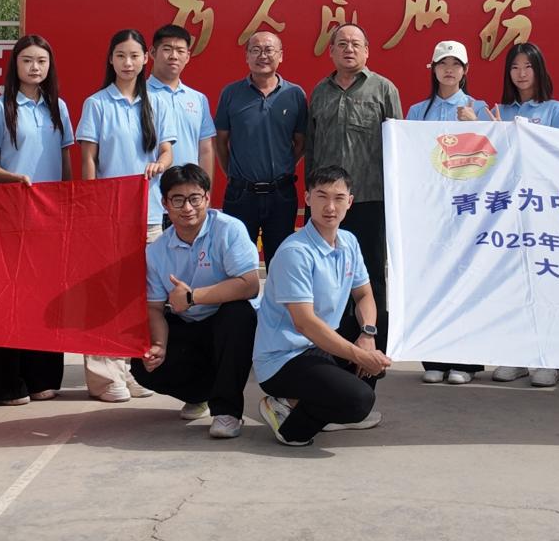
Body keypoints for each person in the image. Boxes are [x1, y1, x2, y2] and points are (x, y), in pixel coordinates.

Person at [0, 34, 77, 405]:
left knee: (45, 295)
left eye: (41, 61)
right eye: (27, 60)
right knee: (9, 296)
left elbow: (65, 160)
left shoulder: (58, 107)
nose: (35, 67)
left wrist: (69, 201)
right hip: (10, 213)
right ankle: (4, 383)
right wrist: (13, 178)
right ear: (15, 65)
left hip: (50, 215)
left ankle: (41, 377)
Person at [254, 166, 390, 446]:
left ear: (350, 202)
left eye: (339, 198)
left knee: (380, 322)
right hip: (286, 357)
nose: (330, 207)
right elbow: (305, 323)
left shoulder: (349, 241)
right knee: (359, 401)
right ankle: (285, 414)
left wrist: (367, 335)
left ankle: (327, 407)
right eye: (322, 196)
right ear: (307, 199)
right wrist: (359, 355)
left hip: (320, 346)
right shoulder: (296, 252)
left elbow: (364, 294)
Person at [76, 28, 175, 402]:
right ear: (111, 59)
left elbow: (166, 150)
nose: (128, 63)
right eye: (121, 55)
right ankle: (103, 377)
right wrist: (92, 205)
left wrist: (160, 164)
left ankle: (130, 368)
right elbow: (88, 159)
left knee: (140, 297)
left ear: (145, 59)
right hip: (108, 215)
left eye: (134, 56)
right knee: (105, 296)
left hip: (148, 214)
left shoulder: (156, 102)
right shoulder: (97, 103)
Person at [131, 165, 262, 439]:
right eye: (178, 200)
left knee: (238, 314)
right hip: (189, 324)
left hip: (226, 324)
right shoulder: (156, 251)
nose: (187, 208)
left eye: (194, 198)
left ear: (207, 198)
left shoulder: (229, 230)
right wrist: (159, 346)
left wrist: (193, 297)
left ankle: (227, 411)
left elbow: (249, 284)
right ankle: (199, 395)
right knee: (142, 365)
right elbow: (154, 308)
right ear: (165, 203)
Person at [306, 23, 403, 351]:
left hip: (370, 199)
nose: (349, 49)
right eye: (342, 44)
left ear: (367, 51)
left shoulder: (384, 89)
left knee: (371, 274)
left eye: (356, 44)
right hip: (326, 204)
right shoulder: (320, 91)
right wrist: (312, 196)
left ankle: (374, 344)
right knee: (325, 273)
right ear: (331, 51)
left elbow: (397, 146)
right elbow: (312, 147)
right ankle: (329, 344)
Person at [405, 40, 492, 386]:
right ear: (434, 69)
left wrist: (476, 125)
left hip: (468, 209)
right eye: (443, 63)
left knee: (466, 281)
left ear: (466, 70)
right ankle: (434, 358)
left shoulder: (479, 108)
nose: (449, 70)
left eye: (456, 64)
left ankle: (466, 362)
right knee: (432, 281)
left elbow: (494, 157)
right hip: (431, 209)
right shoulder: (417, 111)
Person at [488, 41, 559, 389]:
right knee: (513, 284)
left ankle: (548, 357)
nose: (521, 74)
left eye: (528, 67)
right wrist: (491, 131)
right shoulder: (500, 110)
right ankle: (518, 355)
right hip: (509, 210)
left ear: (539, 70)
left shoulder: (555, 109)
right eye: (514, 67)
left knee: (546, 284)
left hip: (544, 208)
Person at [213, 30, 307, 261]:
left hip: (281, 194)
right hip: (241, 194)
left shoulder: (295, 94)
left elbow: (301, 142)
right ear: (247, 56)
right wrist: (234, 173)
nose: (262, 56)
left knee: (282, 260)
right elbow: (221, 142)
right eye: (255, 50)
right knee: (237, 261)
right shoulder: (231, 93)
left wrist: (283, 166)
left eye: (268, 50)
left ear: (281, 55)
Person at [148, 23, 217, 228]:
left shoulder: (198, 99)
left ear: (187, 56)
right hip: (150, 199)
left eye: (180, 51)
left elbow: (205, 150)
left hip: (188, 203)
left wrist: (205, 194)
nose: (173, 56)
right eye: (167, 49)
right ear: (152, 53)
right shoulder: (138, 96)